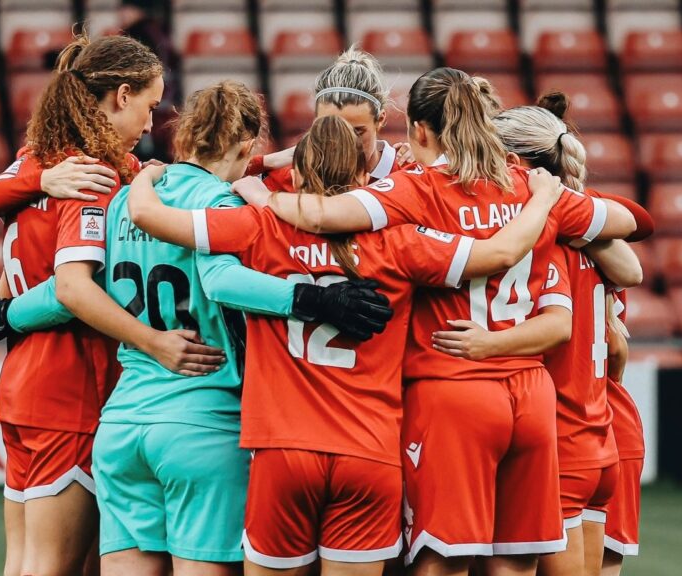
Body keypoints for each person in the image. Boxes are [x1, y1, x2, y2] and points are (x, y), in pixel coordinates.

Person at [232, 67, 639, 576]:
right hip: (533, 398)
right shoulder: (526, 193)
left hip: (446, 394)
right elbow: (633, 226)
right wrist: (551, 201)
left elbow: (318, 218)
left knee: (442, 560)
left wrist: (263, 195)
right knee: (516, 562)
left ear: (411, 128)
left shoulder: (414, 190)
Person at [125, 114, 568, 576]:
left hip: (282, 451)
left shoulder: (258, 227)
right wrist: (539, 199)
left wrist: (147, 175)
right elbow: (495, 253)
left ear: (295, 177)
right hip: (368, 451)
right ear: (363, 181)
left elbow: (149, 217)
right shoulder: (400, 242)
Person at [0, 81, 393, 576]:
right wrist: (312, 299)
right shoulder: (224, 204)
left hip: (122, 426)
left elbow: (67, 289)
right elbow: (221, 280)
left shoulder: (124, 202)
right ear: (247, 146)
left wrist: (7, 315)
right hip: (202, 425)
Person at [0, 34, 169, 576]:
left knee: (24, 561)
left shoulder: (38, 161)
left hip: (22, 386)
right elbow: (74, 288)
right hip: (71, 389)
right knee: (55, 568)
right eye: (150, 106)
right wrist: (155, 343)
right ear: (121, 95)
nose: (153, 124)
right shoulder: (92, 178)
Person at [433, 94, 649, 576]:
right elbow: (616, 343)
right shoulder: (595, 240)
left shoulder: (537, 242)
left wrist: (485, 344)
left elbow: (560, 328)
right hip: (606, 432)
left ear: (517, 164)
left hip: (557, 437)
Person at [244, 45, 406, 188]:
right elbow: (223, 180)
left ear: (380, 120)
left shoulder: (409, 173)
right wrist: (268, 161)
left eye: (357, 132)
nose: (345, 144)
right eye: (332, 130)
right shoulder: (296, 176)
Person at [600, 290, 646, 576]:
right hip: (615, 421)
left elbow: (616, 348)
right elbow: (616, 350)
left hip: (598, 424)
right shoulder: (609, 264)